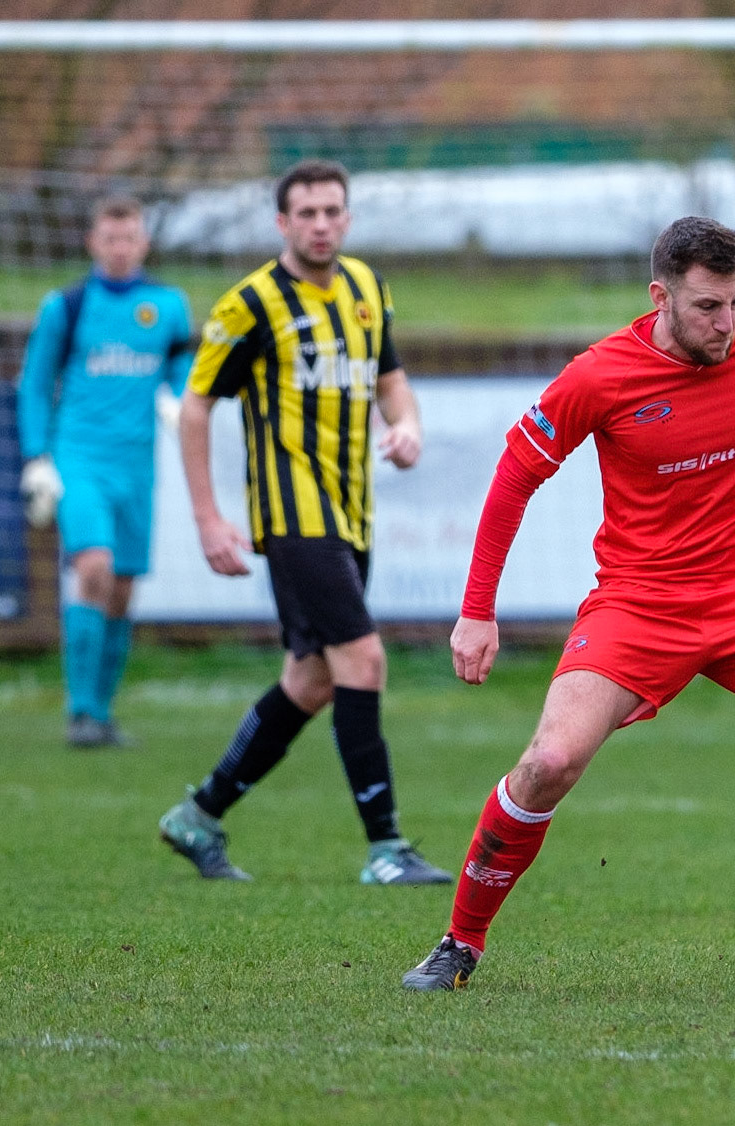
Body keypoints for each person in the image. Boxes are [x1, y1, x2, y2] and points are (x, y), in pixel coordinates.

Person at [401, 216, 735, 995]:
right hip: (639, 606)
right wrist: (476, 610)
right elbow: (516, 475)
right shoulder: (599, 376)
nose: (726, 324)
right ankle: (459, 944)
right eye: (705, 308)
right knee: (548, 763)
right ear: (660, 296)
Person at [155, 159, 450, 887]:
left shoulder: (366, 289)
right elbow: (196, 406)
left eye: (332, 211)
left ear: (346, 218)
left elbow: (391, 381)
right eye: (307, 213)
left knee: (312, 679)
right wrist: (207, 519)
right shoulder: (249, 305)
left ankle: (200, 814)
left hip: (352, 512)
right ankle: (385, 848)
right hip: (292, 516)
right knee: (365, 660)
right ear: (282, 222)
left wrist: (407, 426)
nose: (321, 224)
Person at [16, 196, 193, 748]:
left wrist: (179, 398)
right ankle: (81, 712)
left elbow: (184, 365)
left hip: (136, 466)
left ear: (143, 242)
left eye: (130, 237)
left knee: (120, 591)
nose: (120, 248)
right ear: (93, 242)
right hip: (79, 460)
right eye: (110, 238)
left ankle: (102, 712)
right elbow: (36, 385)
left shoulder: (168, 305)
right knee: (93, 568)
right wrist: (37, 456)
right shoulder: (64, 306)